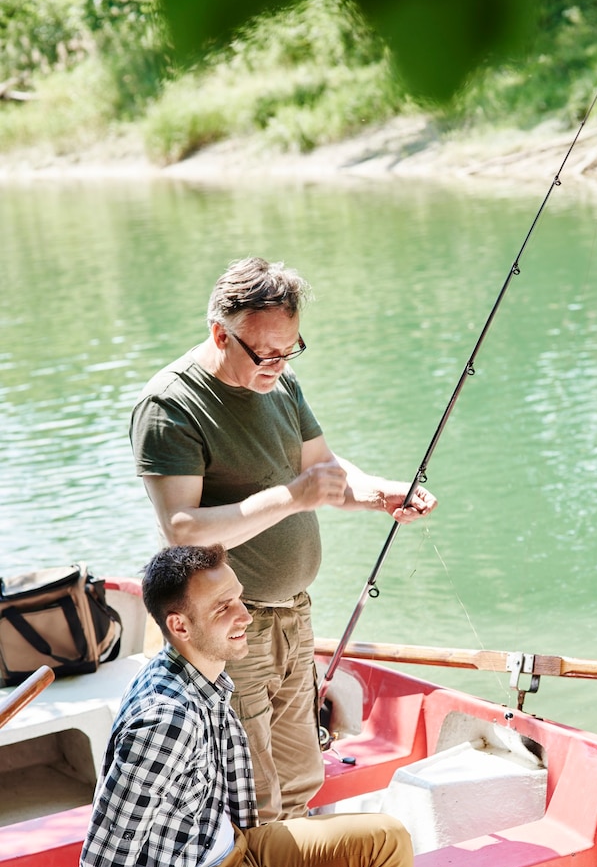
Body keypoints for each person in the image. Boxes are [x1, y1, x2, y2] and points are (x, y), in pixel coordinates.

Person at [130, 256, 437, 822]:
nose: (278, 364)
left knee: (299, 777)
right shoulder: (171, 406)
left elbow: (322, 469)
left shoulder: (280, 382)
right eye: (265, 353)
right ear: (221, 334)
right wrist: (294, 496)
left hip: (293, 618)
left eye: (290, 349)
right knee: (250, 794)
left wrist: (379, 495)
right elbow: (182, 528)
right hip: (226, 624)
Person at [76, 544, 413, 867]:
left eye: (239, 598)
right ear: (180, 626)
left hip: (231, 850)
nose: (246, 615)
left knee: (386, 839)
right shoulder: (166, 721)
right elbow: (108, 852)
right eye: (223, 608)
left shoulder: (204, 677)